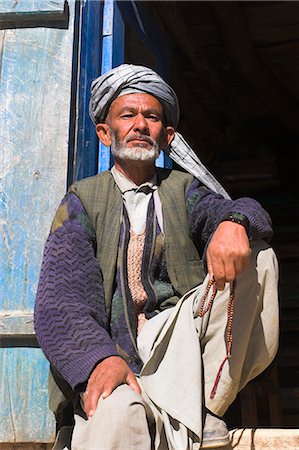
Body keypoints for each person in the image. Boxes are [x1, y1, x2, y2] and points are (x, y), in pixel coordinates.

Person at [34, 64, 279, 450]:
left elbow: (248, 213)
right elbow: (60, 302)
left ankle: (204, 409)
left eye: (151, 116)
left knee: (259, 255)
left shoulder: (183, 190)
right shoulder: (84, 199)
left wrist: (233, 220)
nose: (140, 125)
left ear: (166, 136)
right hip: (115, 356)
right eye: (127, 115)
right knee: (115, 420)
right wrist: (98, 361)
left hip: (181, 351)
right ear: (104, 132)